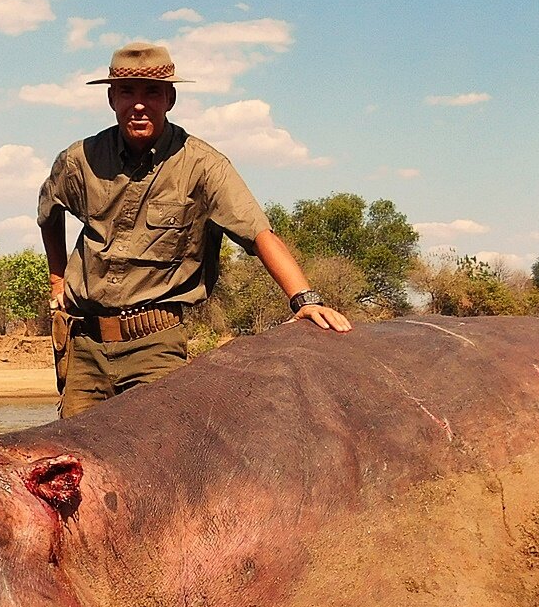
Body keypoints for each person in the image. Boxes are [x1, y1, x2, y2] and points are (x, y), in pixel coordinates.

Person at [37, 42, 350, 418]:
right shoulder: (80, 159)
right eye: (127, 92)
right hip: (83, 347)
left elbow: (258, 232)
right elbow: (48, 212)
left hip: (154, 345)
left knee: (156, 454)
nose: (139, 104)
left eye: (151, 92)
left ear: (170, 98)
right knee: (72, 462)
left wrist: (305, 300)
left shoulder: (204, 166)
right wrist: (58, 281)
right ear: (111, 98)